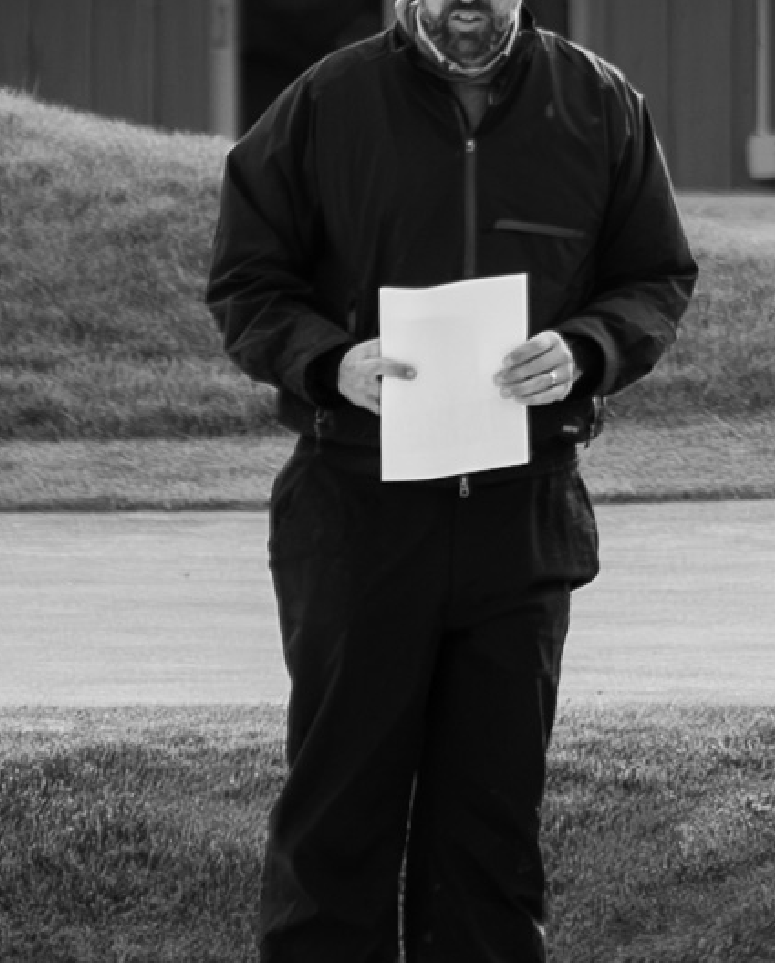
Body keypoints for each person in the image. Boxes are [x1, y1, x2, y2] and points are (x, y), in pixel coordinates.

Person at [205, 1, 696, 959]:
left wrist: (587, 348)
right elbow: (246, 280)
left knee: (490, 830)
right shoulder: (327, 103)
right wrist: (330, 361)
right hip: (356, 511)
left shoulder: (598, 103)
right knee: (337, 817)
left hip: (523, 512)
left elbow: (655, 275)